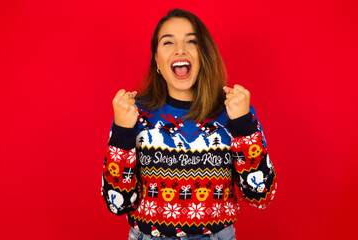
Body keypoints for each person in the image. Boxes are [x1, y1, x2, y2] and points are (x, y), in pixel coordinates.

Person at [101, 9, 277, 240]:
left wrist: (243, 124)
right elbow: (118, 204)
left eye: (191, 41)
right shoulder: (134, 113)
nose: (179, 49)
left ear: (204, 54)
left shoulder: (234, 112)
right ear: (157, 60)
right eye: (168, 42)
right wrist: (123, 132)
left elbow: (260, 194)